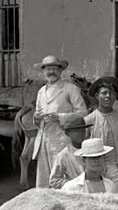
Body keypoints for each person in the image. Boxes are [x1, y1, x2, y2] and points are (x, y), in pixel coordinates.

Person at [31, 55, 86, 188]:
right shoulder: (41, 92)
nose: (51, 72)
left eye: (54, 69)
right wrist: (36, 118)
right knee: (45, 180)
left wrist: (59, 117)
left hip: (62, 139)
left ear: (60, 71)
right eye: (48, 69)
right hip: (44, 140)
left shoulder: (70, 89)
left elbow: (83, 113)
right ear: (43, 72)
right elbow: (37, 115)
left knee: (63, 178)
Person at [85, 78, 118, 169]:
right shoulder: (89, 120)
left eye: (111, 93)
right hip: (98, 170)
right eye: (104, 93)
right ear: (97, 96)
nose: (108, 96)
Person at [48, 114, 93, 188]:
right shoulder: (64, 155)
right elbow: (54, 180)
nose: (81, 133)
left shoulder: (92, 150)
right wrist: (74, 184)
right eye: (77, 131)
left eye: (83, 130)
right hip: (75, 193)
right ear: (67, 133)